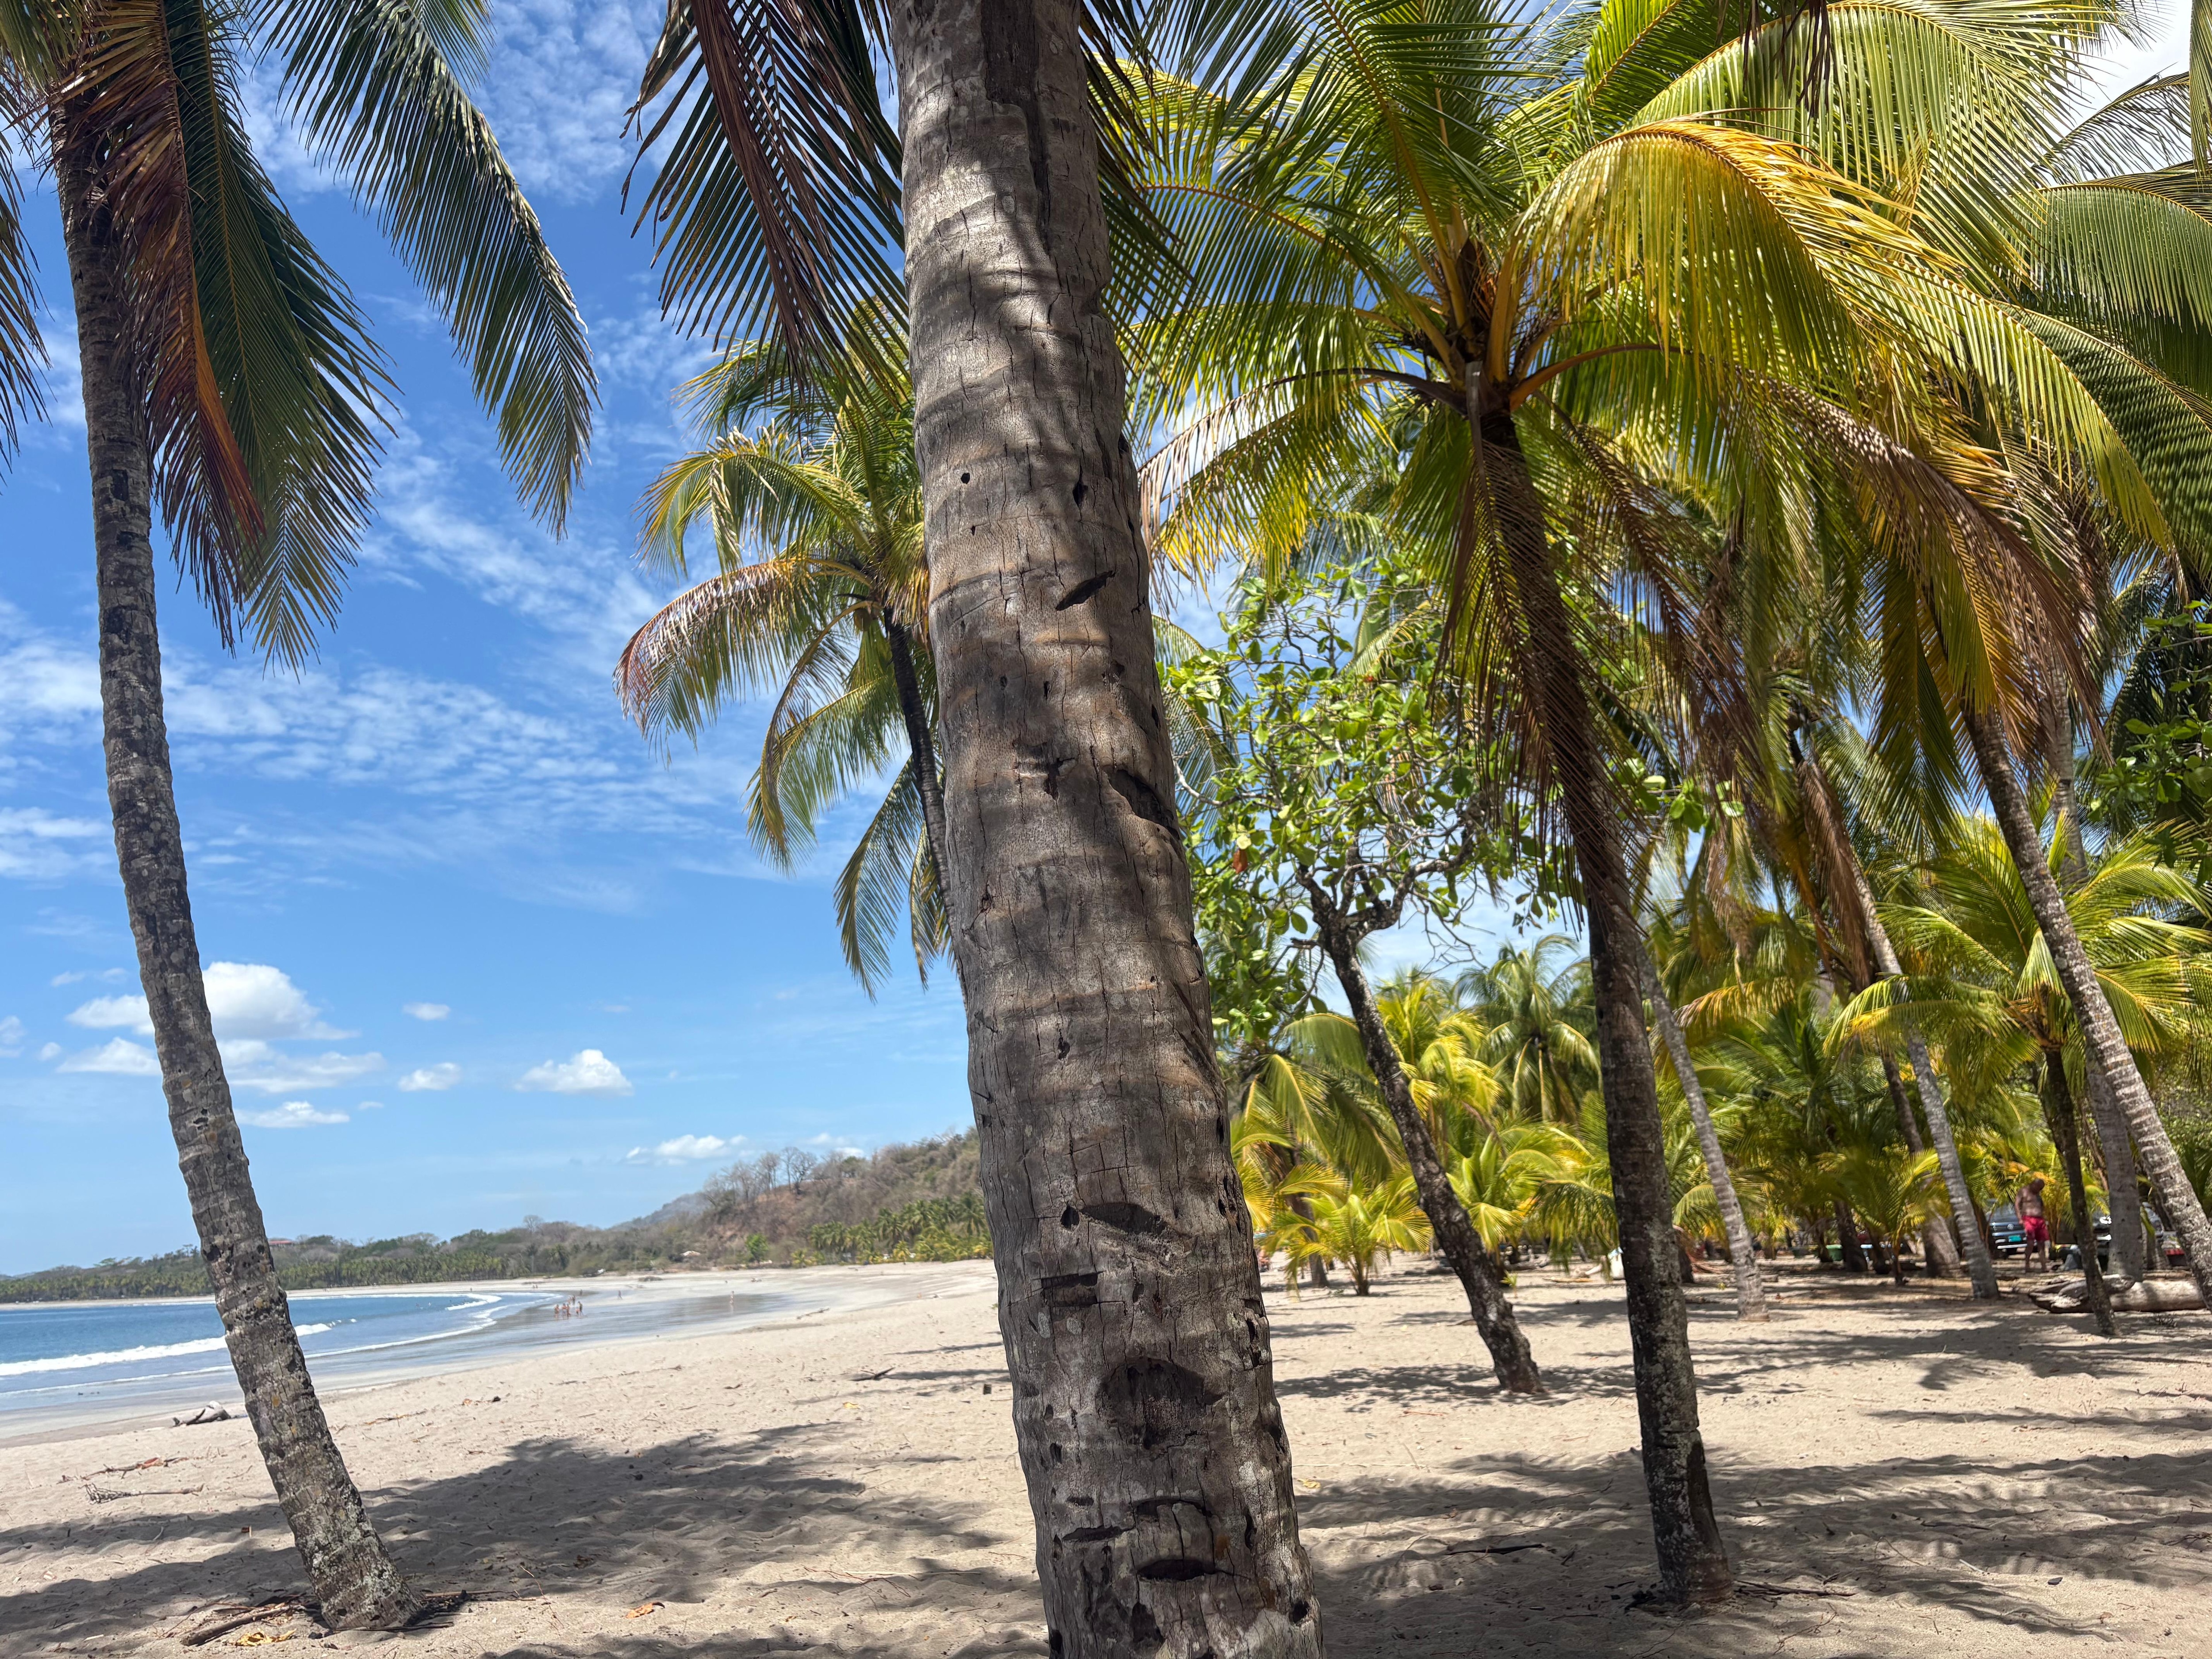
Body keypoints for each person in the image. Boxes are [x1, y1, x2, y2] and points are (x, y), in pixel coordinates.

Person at [2019, 1176, 2050, 1272]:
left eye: (2041, 1189)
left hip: (2040, 1220)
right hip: (2028, 1219)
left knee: (2042, 1243)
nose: (2039, 1190)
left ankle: (2044, 1266)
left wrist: (2045, 1218)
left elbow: (2042, 1207)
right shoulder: (2024, 1191)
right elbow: (2017, 1205)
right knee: (2030, 1243)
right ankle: (2027, 1265)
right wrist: (2020, 1219)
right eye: (2038, 1188)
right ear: (2034, 1184)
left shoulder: (2038, 1195)